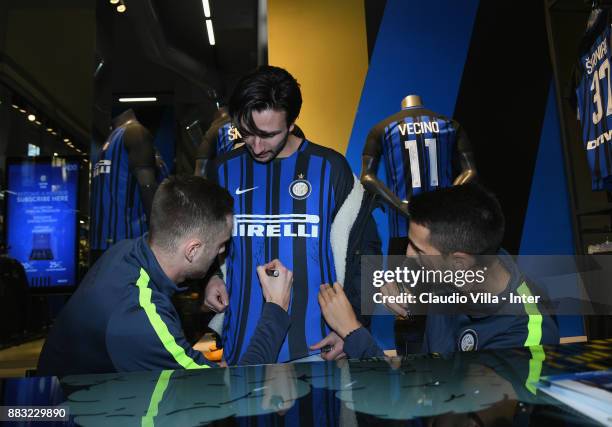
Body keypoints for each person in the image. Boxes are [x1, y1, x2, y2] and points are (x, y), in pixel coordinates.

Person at [205, 65, 380, 363]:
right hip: (242, 350)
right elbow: (202, 239)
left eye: (268, 134)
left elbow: (367, 253)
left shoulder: (332, 170)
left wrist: (353, 327)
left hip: (318, 350)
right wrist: (210, 277)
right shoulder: (221, 171)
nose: (256, 146)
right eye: (247, 132)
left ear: (291, 123)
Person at [37, 176, 293, 376]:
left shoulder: (125, 251)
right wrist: (276, 309)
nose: (223, 251)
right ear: (193, 250)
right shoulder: (138, 319)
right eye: (222, 244)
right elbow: (231, 391)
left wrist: (198, 306)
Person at [317, 183, 559, 358]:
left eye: (419, 250)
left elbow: (443, 404)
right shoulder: (459, 273)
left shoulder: (526, 336)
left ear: (459, 263)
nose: (409, 255)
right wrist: (406, 303)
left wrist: (352, 333)